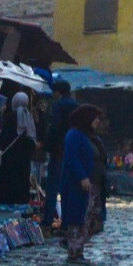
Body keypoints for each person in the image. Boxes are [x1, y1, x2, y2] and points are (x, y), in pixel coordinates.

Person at [60, 105, 105, 264]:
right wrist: (82, 176)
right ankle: (74, 251)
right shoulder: (74, 135)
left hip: (94, 184)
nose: (98, 122)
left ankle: (74, 244)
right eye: (96, 118)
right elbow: (72, 158)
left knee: (93, 219)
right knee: (77, 219)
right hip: (78, 185)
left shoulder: (91, 136)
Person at [0, 89, 38, 205]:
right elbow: (32, 140)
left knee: (7, 182)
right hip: (24, 160)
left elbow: (4, 137)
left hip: (10, 157)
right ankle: (20, 203)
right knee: (21, 183)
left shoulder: (10, 117)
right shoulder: (29, 118)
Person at [42, 80, 79, 229]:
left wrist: (47, 146)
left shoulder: (57, 105)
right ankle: (67, 220)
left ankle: (48, 219)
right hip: (73, 149)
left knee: (52, 186)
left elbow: (55, 128)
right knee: (68, 187)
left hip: (58, 149)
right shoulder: (76, 106)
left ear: (57, 92)